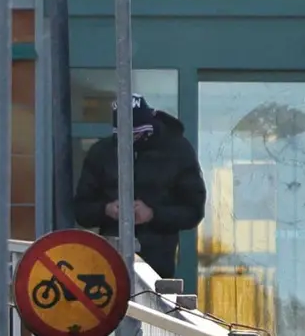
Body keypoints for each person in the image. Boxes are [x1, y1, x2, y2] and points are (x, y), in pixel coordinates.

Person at [73, 95, 207, 280]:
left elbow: (193, 210)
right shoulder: (101, 153)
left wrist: (153, 214)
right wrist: (107, 209)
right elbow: (81, 210)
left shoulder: (177, 150)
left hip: (158, 264)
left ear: (149, 127)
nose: (131, 141)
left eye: (137, 134)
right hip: (110, 264)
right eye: (123, 136)